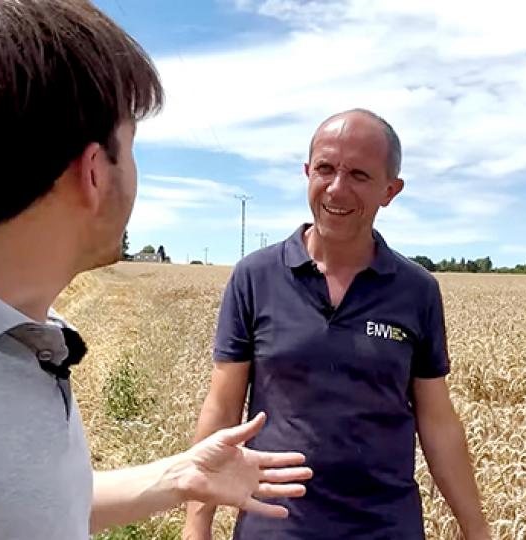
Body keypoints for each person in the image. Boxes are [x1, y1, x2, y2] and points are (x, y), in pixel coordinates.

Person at [0, 1, 311, 539]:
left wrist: (182, 473)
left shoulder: (14, 331)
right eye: (133, 147)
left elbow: (6, 500)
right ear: (95, 173)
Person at [184, 109, 491, 539]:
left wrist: (476, 529)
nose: (337, 188)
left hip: (385, 528)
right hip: (274, 526)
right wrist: (197, 523)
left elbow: (437, 421)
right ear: (307, 172)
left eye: (360, 175)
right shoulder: (255, 278)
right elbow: (222, 406)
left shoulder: (416, 291)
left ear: (391, 190)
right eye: (325, 169)